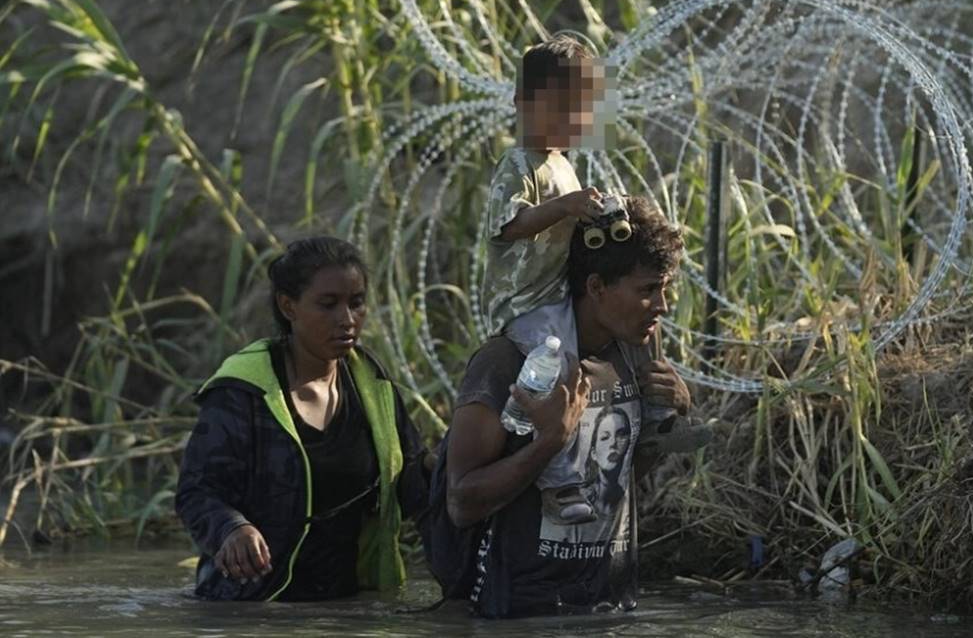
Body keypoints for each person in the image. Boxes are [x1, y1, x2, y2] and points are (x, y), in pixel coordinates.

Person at [482, 33, 710, 527]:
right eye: (559, 108)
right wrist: (565, 205)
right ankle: (560, 482)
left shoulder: (562, 165)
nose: (571, 121)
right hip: (526, 303)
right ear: (523, 103)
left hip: (558, 291)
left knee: (644, 327)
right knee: (559, 376)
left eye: (580, 110)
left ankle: (657, 421)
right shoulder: (519, 165)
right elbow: (511, 226)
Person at [448, 196, 692, 617]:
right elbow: (462, 503)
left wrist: (673, 412)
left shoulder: (634, 354)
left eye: (665, 288)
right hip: (521, 614)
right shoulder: (508, 361)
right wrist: (549, 441)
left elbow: (618, 480)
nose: (662, 306)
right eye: (648, 290)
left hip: (611, 606)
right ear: (596, 287)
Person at [175, 237, 430, 602]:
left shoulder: (371, 384)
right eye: (328, 304)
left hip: (350, 604)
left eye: (356, 303)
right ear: (288, 306)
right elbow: (196, 492)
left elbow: (412, 479)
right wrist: (232, 530)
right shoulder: (244, 391)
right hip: (254, 607)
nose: (347, 319)